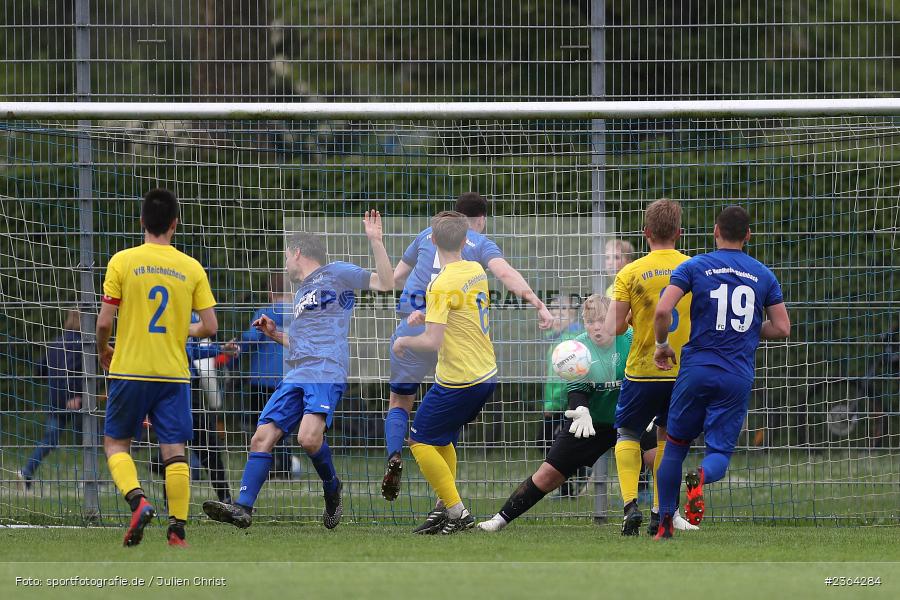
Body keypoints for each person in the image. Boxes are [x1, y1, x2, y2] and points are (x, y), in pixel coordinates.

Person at [202, 211, 393, 530]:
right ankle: (242, 508)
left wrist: (376, 241)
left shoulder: (337, 272)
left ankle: (332, 488)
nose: (285, 265)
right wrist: (275, 334)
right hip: (297, 372)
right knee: (261, 437)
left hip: (326, 369)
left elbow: (386, 283)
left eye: (286, 257)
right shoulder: (302, 293)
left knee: (307, 439)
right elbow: (301, 342)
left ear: (298, 253)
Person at [382, 192, 554, 501]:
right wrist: (537, 303)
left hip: (414, 324)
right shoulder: (479, 246)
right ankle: (444, 499)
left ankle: (394, 454)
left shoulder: (427, 235)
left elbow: (395, 278)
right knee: (451, 409)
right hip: (451, 334)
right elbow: (504, 273)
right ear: (480, 221)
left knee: (399, 403)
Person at [652, 206, 790, 539]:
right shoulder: (763, 274)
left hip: (696, 370)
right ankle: (700, 476)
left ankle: (664, 524)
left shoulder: (695, 266)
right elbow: (783, 328)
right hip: (736, 376)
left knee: (674, 447)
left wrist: (662, 345)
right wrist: (746, 329)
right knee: (719, 455)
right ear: (748, 236)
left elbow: (662, 310)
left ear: (715, 231)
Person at [96, 188, 218, 547]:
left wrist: (104, 349)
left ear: (142, 222)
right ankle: (177, 530)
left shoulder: (123, 261)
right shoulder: (190, 267)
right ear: (175, 224)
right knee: (174, 450)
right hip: (173, 373)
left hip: (130, 368)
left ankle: (138, 501)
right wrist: (184, 329)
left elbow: (104, 323)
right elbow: (210, 326)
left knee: (116, 444)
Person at [477, 294, 630, 532]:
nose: (597, 326)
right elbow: (577, 389)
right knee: (548, 474)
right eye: (590, 321)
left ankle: (670, 515)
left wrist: (646, 412)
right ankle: (500, 519)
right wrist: (580, 410)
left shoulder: (631, 339)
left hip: (629, 419)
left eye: (602, 319)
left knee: (657, 457)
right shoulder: (576, 349)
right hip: (589, 422)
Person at [392, 211, 497, 534]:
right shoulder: (475, 269)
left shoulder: (439, 283)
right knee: (443, 437)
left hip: (459, 379)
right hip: (485, 373)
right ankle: (445, 509)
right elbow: (459, 309)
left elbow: (433, 341)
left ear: (433, 240)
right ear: (467, 241)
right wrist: (426, 314)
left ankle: (457, 511)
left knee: (420, 439)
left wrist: (404, 341)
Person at [603, 198, 693, 536]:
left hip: (642, 369)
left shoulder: (629, 272)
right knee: (668, 439)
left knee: (627, 433)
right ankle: (660, 511)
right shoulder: (693, 268)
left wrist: (628, 318)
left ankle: (629, 507)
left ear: (646, 233)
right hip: (682, 371)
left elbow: (612, 328)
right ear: (679, 233)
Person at [233, 273, 293, 475]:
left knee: (265, 426)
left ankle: (266, 466)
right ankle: (284, 468)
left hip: (262, 379)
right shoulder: (299, 313)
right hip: (290, 379)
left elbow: (250, 338)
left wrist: (237, 347)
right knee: (284, 426)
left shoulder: (266, 312)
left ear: (270, 292)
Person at [18, 310, 83, 490]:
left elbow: (40, 369)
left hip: (55, 400)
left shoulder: (55, 342)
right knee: (92, 438)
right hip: (75, 401)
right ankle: (92, 478)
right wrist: (74, 395)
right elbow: (70, 370)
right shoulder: (82, 343)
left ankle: (27, 471)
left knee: (50, 440)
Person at [540, 294, 585, 497]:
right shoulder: (554, 339)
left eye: (563, 310)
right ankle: (568, 484)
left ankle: (580, 472)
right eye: (553, 310)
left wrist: (555, 403)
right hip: (554, 403)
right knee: (545, 441)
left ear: (574, 315)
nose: (557, 315)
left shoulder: (572, 341)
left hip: (567, 401)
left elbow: (566, 378)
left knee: (561, 443)